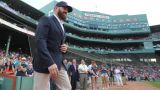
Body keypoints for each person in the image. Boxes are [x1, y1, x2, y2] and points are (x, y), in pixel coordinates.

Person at [32, 1, 73, 90]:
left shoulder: (62, 26)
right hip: (44, 62)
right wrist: (49, 62)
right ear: (56, 8)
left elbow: (57, 44)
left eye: (67, 10)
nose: (66, 11)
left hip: (58, 62)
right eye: (64, 8)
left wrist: (64, 48)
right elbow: (40, 41)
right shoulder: (47, 19)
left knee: (67, 87)